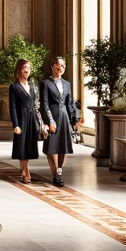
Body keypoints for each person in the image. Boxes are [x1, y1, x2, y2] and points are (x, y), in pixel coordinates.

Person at [40, 55, 80, 187]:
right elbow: (44, 103)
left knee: (63, 147)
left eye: (63, 66)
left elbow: (70, 103)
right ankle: (55, 176)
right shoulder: (45, 83)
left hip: (65, 118)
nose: (60, 68)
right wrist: (50, 120)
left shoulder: (67, 84)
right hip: (53, 117)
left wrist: (74, 120)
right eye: (58, 65)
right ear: (52, 66)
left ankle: (59, 172)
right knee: (52, 148)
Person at [8, 57, 43, 184]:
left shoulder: (33, 85)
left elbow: (36, 104)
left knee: (28, 147)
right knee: (21, 147)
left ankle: (24, 170)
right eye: (24, 68)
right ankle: (25, 172)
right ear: (19, 70)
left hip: (32, 118)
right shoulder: (14, 86)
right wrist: (15, 124)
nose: (26, 70)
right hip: (21, 119)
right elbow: (12, 107)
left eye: (28, 68)